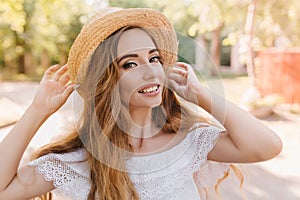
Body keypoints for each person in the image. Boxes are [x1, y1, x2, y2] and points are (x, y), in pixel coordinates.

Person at [0, 7, 282, 200]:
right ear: (106, 82)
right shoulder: (77, 162)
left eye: (154, 58)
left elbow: (267, 146)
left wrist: (203, 96)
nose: (150, 71)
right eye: (130, 63)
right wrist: (36, 112)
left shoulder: (187, 143)